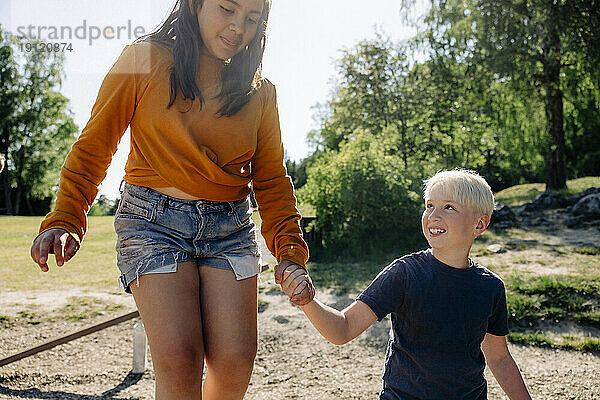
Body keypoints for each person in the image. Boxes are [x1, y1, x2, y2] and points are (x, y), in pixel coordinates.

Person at [30, 0, 313, 398]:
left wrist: (288, 251)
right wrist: (65, 217)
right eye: (227, 9)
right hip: (152, 222)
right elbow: (95, 144)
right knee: (181, 360)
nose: (238, 28)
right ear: (196, 3)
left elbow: (271, 180)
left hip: (230, 228)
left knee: (235, 363)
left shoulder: (260, 92)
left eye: (252, 19)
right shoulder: (142, 58)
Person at [280, 169, 533, 400]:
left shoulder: (490, 287)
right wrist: (308, 301)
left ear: (480, 224)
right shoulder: (405, 273)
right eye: (429, 205)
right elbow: (343, 329)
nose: (433, 216)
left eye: (448, 207)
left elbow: (499, 358)